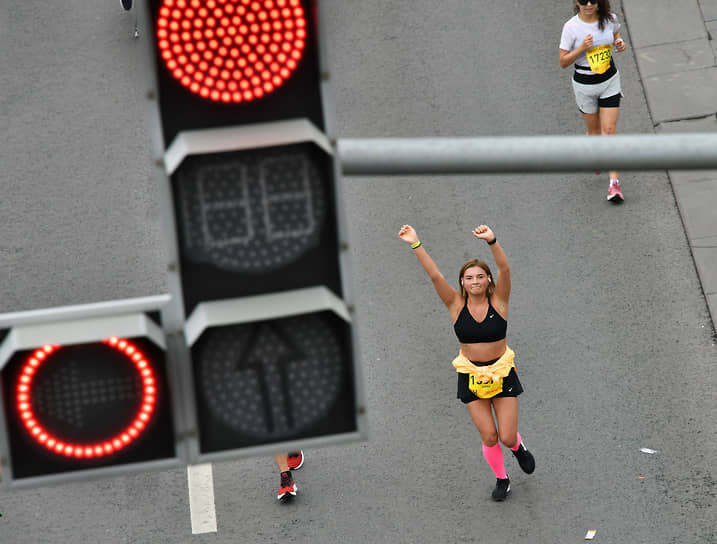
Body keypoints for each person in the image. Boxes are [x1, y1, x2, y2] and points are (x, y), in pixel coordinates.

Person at [398, 224, 535, 501]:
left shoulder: (500, 301)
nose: (474, 281)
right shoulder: (455, 305)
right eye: (469, 277)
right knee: (489, 436)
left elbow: (505, 270)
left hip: (501, 372)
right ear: (462, 282)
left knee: (506, 437)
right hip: (471, 375)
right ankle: (502, 479)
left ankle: (517, 448)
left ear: (488, 281)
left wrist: (492, 241)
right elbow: (434, 274)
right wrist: (415, 243)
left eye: (480, 276)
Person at [559, 0, 627, 202]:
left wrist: (619, 42)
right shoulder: (571, 27)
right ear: (576, 3)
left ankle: (614, 184)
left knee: (609, 131)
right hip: (585, 85)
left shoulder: (610, 19)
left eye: (593, 0)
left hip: (609, 81)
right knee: (595, 132)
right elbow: (563, 61)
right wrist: (581, 48)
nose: (588, 4)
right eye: (583, 1)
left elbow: (615, 35)